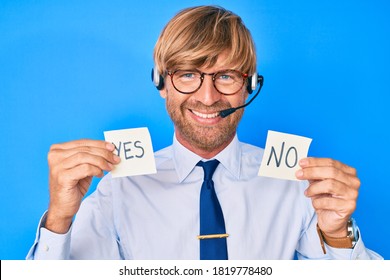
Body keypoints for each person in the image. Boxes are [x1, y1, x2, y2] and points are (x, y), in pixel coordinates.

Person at [27, 5, 381, 260]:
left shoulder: (295, 185)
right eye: (187, 74)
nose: (208, 97)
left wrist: (338, 235)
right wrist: (59, 219)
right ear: (161, 83)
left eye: (226, 76)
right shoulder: (119, 188)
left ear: (250, 86)